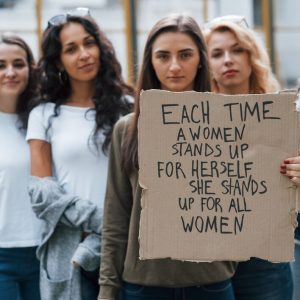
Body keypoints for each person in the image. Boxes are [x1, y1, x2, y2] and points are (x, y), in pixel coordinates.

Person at [98, 14, 237, 300]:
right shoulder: (127, 129)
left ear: (201, 58)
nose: (174, 66)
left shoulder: (232, 123)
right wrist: (107, 290)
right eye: (163, 56)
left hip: (212, 284)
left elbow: (252, 202)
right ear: (151, 61)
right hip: (143, 287)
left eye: (185, 55)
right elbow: (116, 217)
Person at [26, 8, 133, 300]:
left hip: (124, 249)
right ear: (58, 61)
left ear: (101, 47)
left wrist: (113, 231)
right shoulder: (43, 114)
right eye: (71, 49)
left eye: (89, 43)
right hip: (69, 249)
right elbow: (42, 192)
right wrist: (102, 222)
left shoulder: (129, 107)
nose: (84, 54)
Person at [204, 15, 295, 300]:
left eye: (237, 50)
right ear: (206, 65)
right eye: (217, 54)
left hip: (263, 260)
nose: (228, 60)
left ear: (251, 55)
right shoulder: (192, 123)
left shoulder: (286, 116)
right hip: (207, 260)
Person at [0, 33, 41, 300]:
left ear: (30, 68)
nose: (10, 72)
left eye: (18, 63)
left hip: (45, 251)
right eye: (1, 66)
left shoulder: (44, 117)